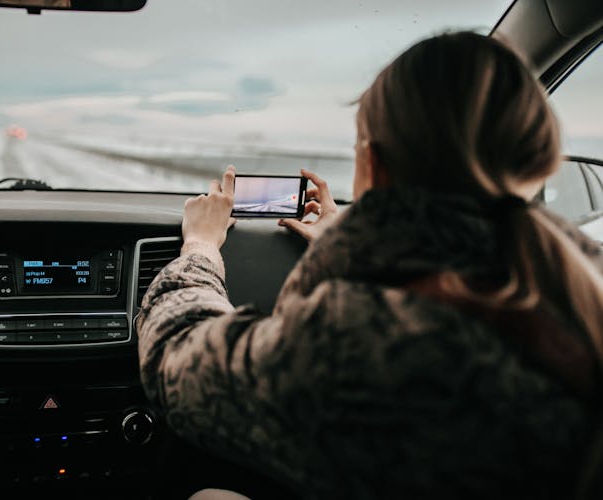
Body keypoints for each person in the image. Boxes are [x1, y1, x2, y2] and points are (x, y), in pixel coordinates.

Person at [135, 31, 603, 499]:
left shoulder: (359, 337)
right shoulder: (580, 280)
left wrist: (199, 247)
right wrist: (355, 246)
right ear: (537, 159)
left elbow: (175, 361)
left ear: (373, 165)